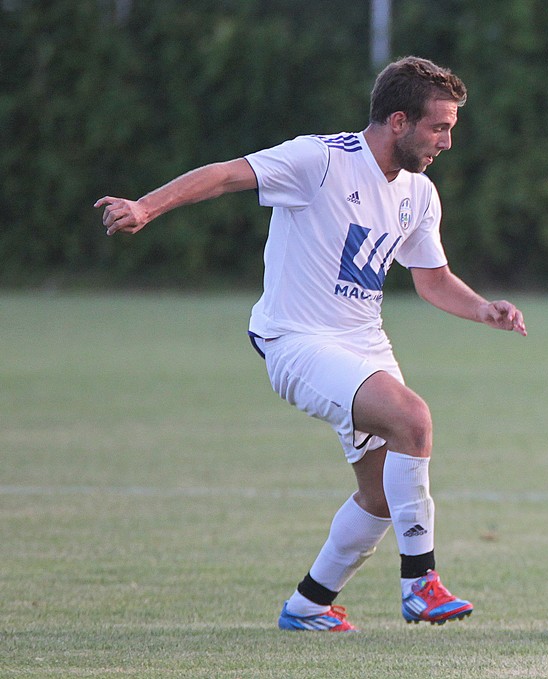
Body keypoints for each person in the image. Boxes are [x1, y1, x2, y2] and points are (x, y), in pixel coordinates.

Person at [96, 56, 526, 632]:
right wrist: (146, 206)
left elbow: (430, 278)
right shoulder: (320, 160)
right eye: (438, 127)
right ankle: (421, 582)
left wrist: (483, 309)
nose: (447, 141)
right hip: (296, 341)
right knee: (414, 420)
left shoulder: (419, 194)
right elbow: (227, 174)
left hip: (364, 347)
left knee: (379, 495)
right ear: (398, 120)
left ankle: (308, 604)